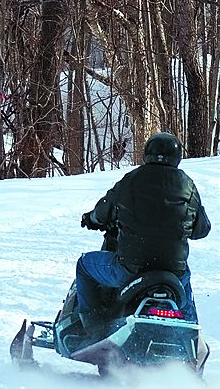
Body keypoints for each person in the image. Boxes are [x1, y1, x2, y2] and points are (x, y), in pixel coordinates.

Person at [68, 131, 211, 334]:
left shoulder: (131, 180)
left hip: (130, 269)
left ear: (147, 154)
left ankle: (91, 328)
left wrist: (91, 219)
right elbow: (202, 229)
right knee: (184, 278)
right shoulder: (188, 186)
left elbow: (103, 211)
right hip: (173, 271)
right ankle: (190, 334)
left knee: (84, 265)